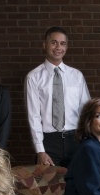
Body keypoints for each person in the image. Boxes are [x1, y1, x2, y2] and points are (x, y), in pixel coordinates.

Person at [25, 26, 90, 167]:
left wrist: (87, 143)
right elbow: (34, 116)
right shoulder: (34, 77)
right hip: (49, 143)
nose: (58, 47)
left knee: (76, 186)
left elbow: (86, 112)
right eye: (53, 42)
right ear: (45, 44)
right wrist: (40, 151)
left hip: (75, 140)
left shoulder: (77, 76)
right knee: (49, 187)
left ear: (66, 47)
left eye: (62, 43)